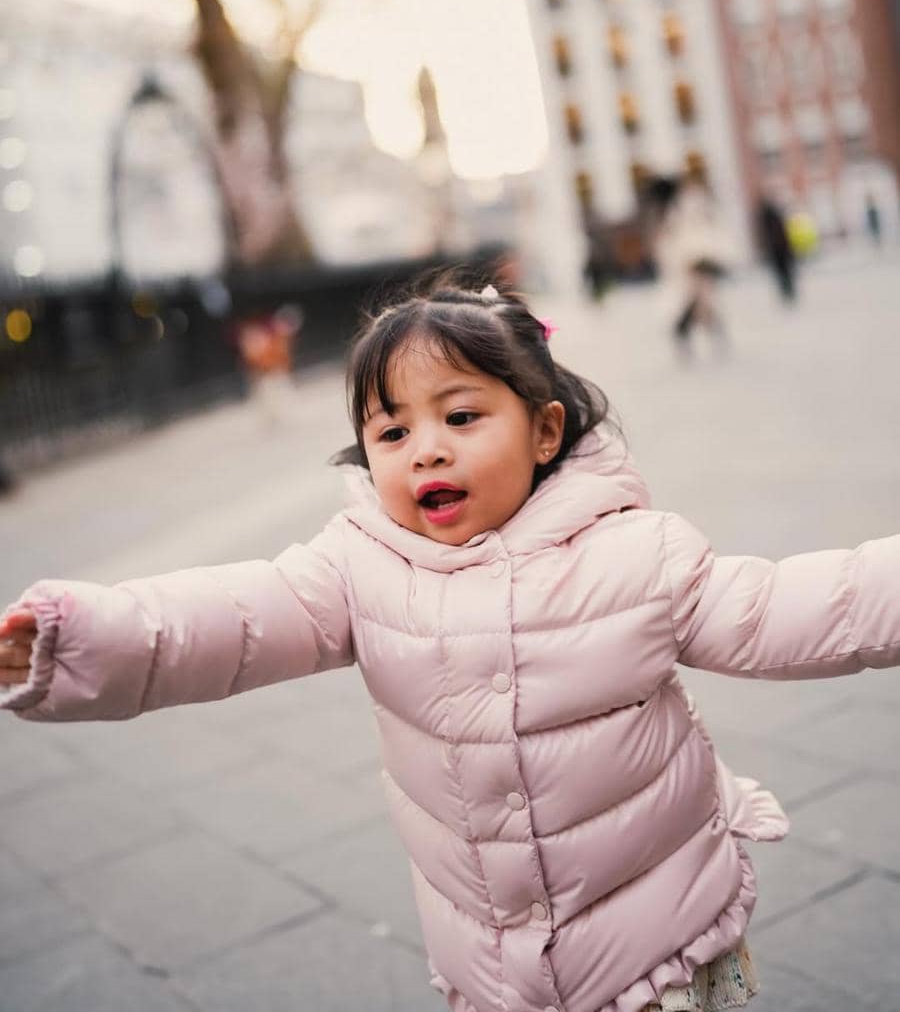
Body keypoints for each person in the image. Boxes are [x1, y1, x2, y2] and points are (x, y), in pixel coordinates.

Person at [2, 275, 899, 1012]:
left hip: (658, 939)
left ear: (544, 430)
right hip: (492, 954)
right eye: (392, 432)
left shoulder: (635, 555)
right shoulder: (358, 564)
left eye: (461, 418)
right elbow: (234, 618)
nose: (425, 450)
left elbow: (787, 609)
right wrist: (77, 641)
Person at [648, 174, 733, 355]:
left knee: (698, 302)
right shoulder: (675, 211)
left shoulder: (677, 211)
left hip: (692, 263)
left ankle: (703, 333)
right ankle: (699, 333)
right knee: (694, 303)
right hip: (688, 265)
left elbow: (688, 237)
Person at [757, 196, 796, 302]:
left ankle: (787, 291)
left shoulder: (767, 219)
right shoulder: (772, 218)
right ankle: (788, 291)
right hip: (779, 249)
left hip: (778, 250)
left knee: (783, 273)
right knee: (784, 272)